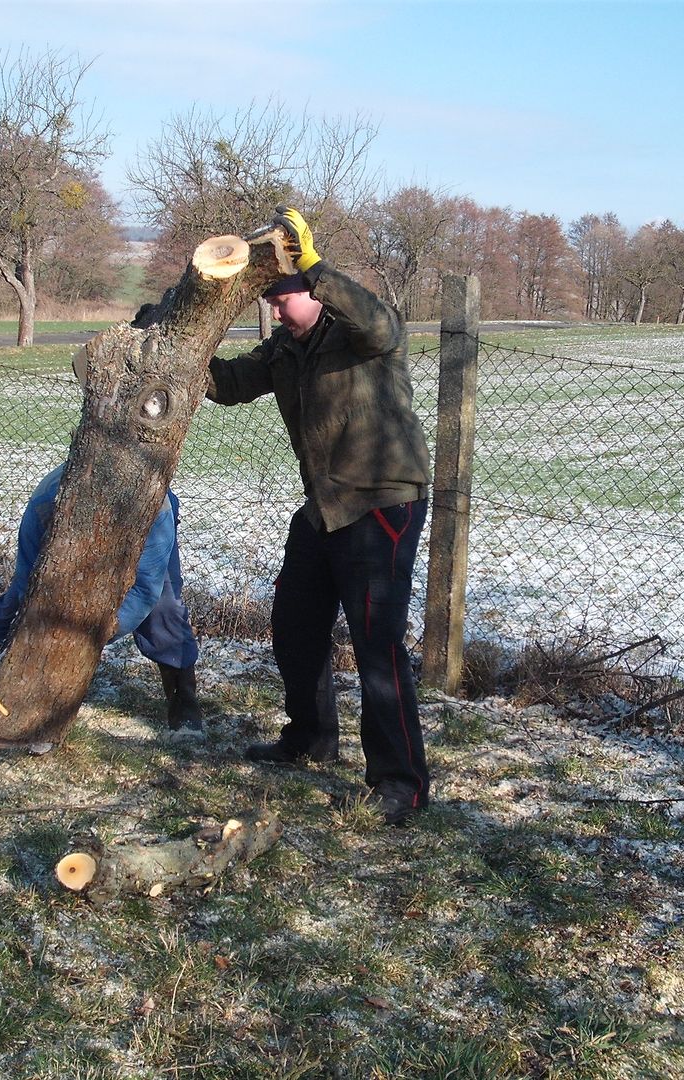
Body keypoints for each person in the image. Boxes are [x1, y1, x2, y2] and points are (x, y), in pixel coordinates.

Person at [205, 207, 433, 826]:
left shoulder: (361, 332)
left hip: (382, 501)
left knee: (376, 645)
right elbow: (227, 383)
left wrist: (311, 263)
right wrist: (168, 344)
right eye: (269, 300)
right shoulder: (284, 348)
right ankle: (310, 738)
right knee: (294, 625)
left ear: (312, 289)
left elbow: (382, 323)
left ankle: (401, 782)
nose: (274, 310)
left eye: (281, 297)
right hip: (324, 508)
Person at [0, 462, 203, 744]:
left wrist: (95, 634)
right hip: (56, 516)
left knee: (163, 607)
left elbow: (145, 590)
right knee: (17, 601)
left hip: (146, 527)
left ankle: (185, 707)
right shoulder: (47, 505)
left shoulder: (154, 511)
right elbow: (26, 584)